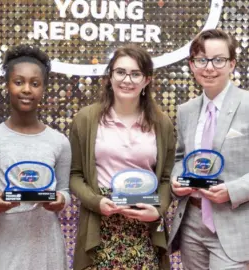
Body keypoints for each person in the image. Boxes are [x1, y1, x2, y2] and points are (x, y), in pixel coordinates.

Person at [168, 29, 249, 270]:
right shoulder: (186, 110)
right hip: (192, 223)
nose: (209, 67)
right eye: (201, 60)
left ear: (232, 64)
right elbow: (181, 157)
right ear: (192, 65)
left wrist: (233, 190)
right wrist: (177, 178)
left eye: (218, 60)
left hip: (234, 222)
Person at [69, 44, 176, 270]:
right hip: (101, 222)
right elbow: (75, 175)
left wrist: (157, 211)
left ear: (147, 80)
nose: (127, 80)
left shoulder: (162, 123)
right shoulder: (86, 119)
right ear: (110, 76)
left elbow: (166, 178)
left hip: (145, 224)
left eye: (135, 74)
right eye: (120, 72)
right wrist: (96, 202)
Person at [0, 44, 71, 270]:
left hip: (48, 247)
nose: (26, 89)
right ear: (7, 85)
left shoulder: (59, 142)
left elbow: (65, 192)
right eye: (19, 82)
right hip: (8, 246)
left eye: (35, 83)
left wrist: (60, 201)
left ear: (44, 89)